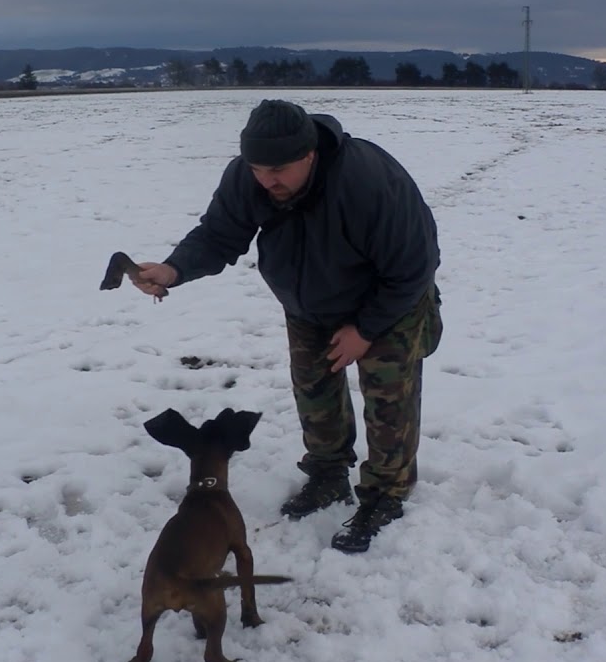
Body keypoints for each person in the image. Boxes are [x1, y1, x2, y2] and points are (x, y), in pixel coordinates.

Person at [131, 99, 442, 553]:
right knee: (314, 391)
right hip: (309, 303)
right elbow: (220, 233)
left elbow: (415, 265)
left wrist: (365, 330)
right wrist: (174, 269)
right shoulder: (249, 177)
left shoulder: (368, 182)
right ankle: (328, 473)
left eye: (278, 169)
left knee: (388, 401)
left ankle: (386, 494)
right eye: (257, 168)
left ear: (309, 154)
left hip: (389, 303)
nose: (266, 180)